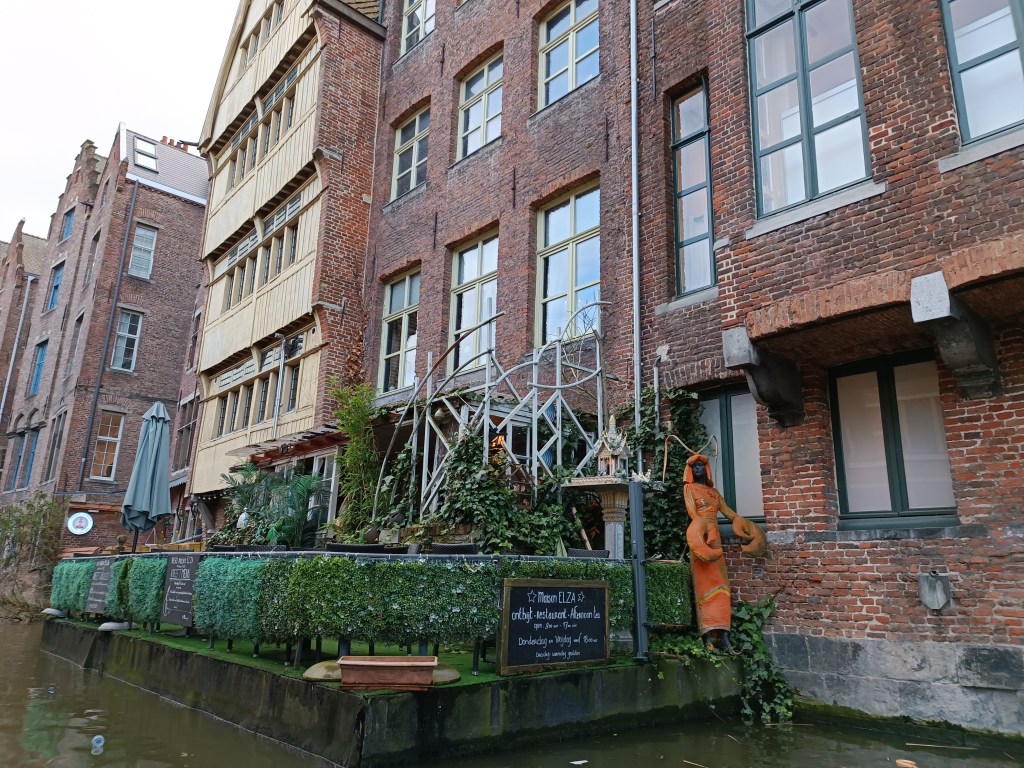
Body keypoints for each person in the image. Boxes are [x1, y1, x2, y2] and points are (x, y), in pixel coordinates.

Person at [683, 453, 767, 652]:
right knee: (704, 585)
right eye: (694, 467)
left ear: (706, 469)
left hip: (716, 542)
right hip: (702, 540)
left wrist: (748, 529)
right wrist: (704, 533)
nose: (698, 469)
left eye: (701, 466)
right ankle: (707, 635)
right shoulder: (689, 489)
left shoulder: (713, 492)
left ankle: (724, 635)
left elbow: (730, 513)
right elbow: (693, 513)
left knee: (722, 585)